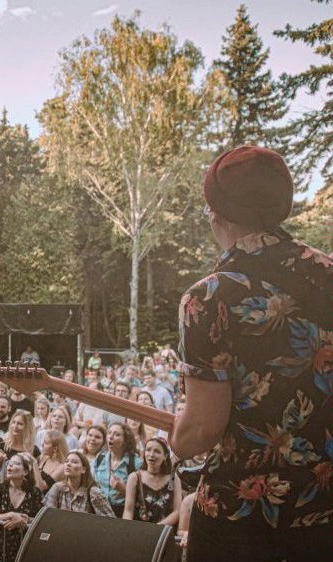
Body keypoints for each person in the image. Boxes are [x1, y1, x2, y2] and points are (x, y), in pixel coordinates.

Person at [170, 147, 333, 561]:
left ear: (216, 212)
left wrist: (179, 437)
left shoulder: (208, 297)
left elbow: (202, 432)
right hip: (325, 509)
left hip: (240, 520)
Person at [0, 452, 44, 562]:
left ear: (25, 471)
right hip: (3, 544)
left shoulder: (35, 492)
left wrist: (25, 520)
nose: (10, 465)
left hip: (27, 544)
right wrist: (12, 515)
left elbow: (41, 520)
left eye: (15, 463)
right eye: (9, 463)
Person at [123, 437, 181, 524]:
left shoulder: (173, 478)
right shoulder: (135, 477)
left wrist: (157, 529)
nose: (151, 454)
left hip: (164, 532)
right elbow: (128, 510)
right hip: (139, 530)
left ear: (165, 456)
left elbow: (177, 511)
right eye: (148, 450)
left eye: (157, 451)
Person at [92, 422, 142, 517]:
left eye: (117, 434)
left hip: (122, 512)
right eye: (109, 433)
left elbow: (142, 499)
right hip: (100, 510)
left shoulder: (136, 463)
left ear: (125, 440)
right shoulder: (100, 458)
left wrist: (124, 489)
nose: (111, 437)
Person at [43, 450, 114, 517]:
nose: (68, 464)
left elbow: (110, 521)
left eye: (74, 462)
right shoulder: (57, 488)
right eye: (66, 461)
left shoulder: (94, 493)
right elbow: (48, 516)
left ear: (83, 470)